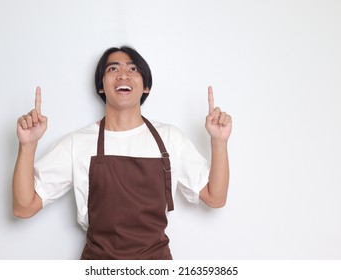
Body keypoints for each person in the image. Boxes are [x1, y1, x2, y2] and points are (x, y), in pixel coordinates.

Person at [12, 46, 232, 260]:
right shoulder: (77, 143)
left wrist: (219, 142)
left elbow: (215, 197)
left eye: (133, 69)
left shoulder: (170, 139)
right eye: (113, 69)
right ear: (101, 86)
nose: (123, 75)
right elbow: (24, 207)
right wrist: (28, 146)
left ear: (146, 86)